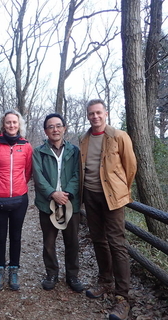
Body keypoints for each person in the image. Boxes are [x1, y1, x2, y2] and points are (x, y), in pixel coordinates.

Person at [80, 99, 137, 320]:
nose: (95, 116)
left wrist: (121, 190)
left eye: (98, 113)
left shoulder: (118, 136)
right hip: (90, 195)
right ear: (88, 116)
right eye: (91, 113)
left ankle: (122, 297)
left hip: (113, 197)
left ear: (106, 113)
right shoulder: (84, 139)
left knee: (117, 243)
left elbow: (130, 167)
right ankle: (105, 281)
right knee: (98, 239)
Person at [32, 113, 83, 293]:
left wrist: (67, 193)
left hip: (70, 202)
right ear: (46, 131)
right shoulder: (38, 152)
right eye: (51, 126)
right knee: (49, 242)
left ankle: (72, 275)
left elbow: (78, 174)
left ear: (64, 128)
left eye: (58, 125)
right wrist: (53, 193)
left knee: (72, 241)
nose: (55, 129)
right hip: (47, 204)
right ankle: (51, 274)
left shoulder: (75, 151)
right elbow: (37, 176)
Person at [0, 109, 32, 291]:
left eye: (15, 122)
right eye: (8, 122)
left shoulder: (26, 146)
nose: (12, 125)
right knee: (0, 236)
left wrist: (18, 187)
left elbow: (27, 172)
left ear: (19, 125)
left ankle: (14, 270)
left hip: (20, 198)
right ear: (3, 125)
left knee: (16, 236)